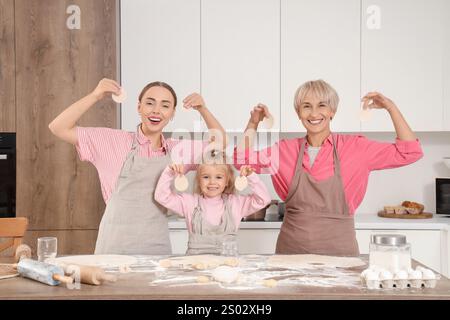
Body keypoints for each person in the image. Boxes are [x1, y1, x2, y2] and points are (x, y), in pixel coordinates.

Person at [235, 79, 424, 256]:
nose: (314, 113)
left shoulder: (356, 147)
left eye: (322, 105)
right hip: (291, 253)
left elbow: (409, 152)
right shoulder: (283, 150)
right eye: (306, 106)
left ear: (332, 111)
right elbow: (241, 160)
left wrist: (391, 108)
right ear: (298, 113)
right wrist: (253, 123)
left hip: (341, 253)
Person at [48, 78, 225, 255]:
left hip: (157, 247)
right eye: (149, 103)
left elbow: (219, 144)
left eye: (165, 105)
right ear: (138, 107)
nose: (156, 110)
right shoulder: (111, 141)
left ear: (172, 114)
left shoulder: (177, 150)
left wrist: (203, 109)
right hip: (113, 248)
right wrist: (95, 96)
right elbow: (58, 127)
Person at [154, 152, 271, 255]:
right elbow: (162, 196)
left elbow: (263, 200)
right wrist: (169, 172)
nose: (212, 182)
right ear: (199, 180)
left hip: (228, 268)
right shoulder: (189, 203)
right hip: (196, 267)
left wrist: (251, 177)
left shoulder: (235, 203)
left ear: (227, 181)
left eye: (219, 177)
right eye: (206, 177)